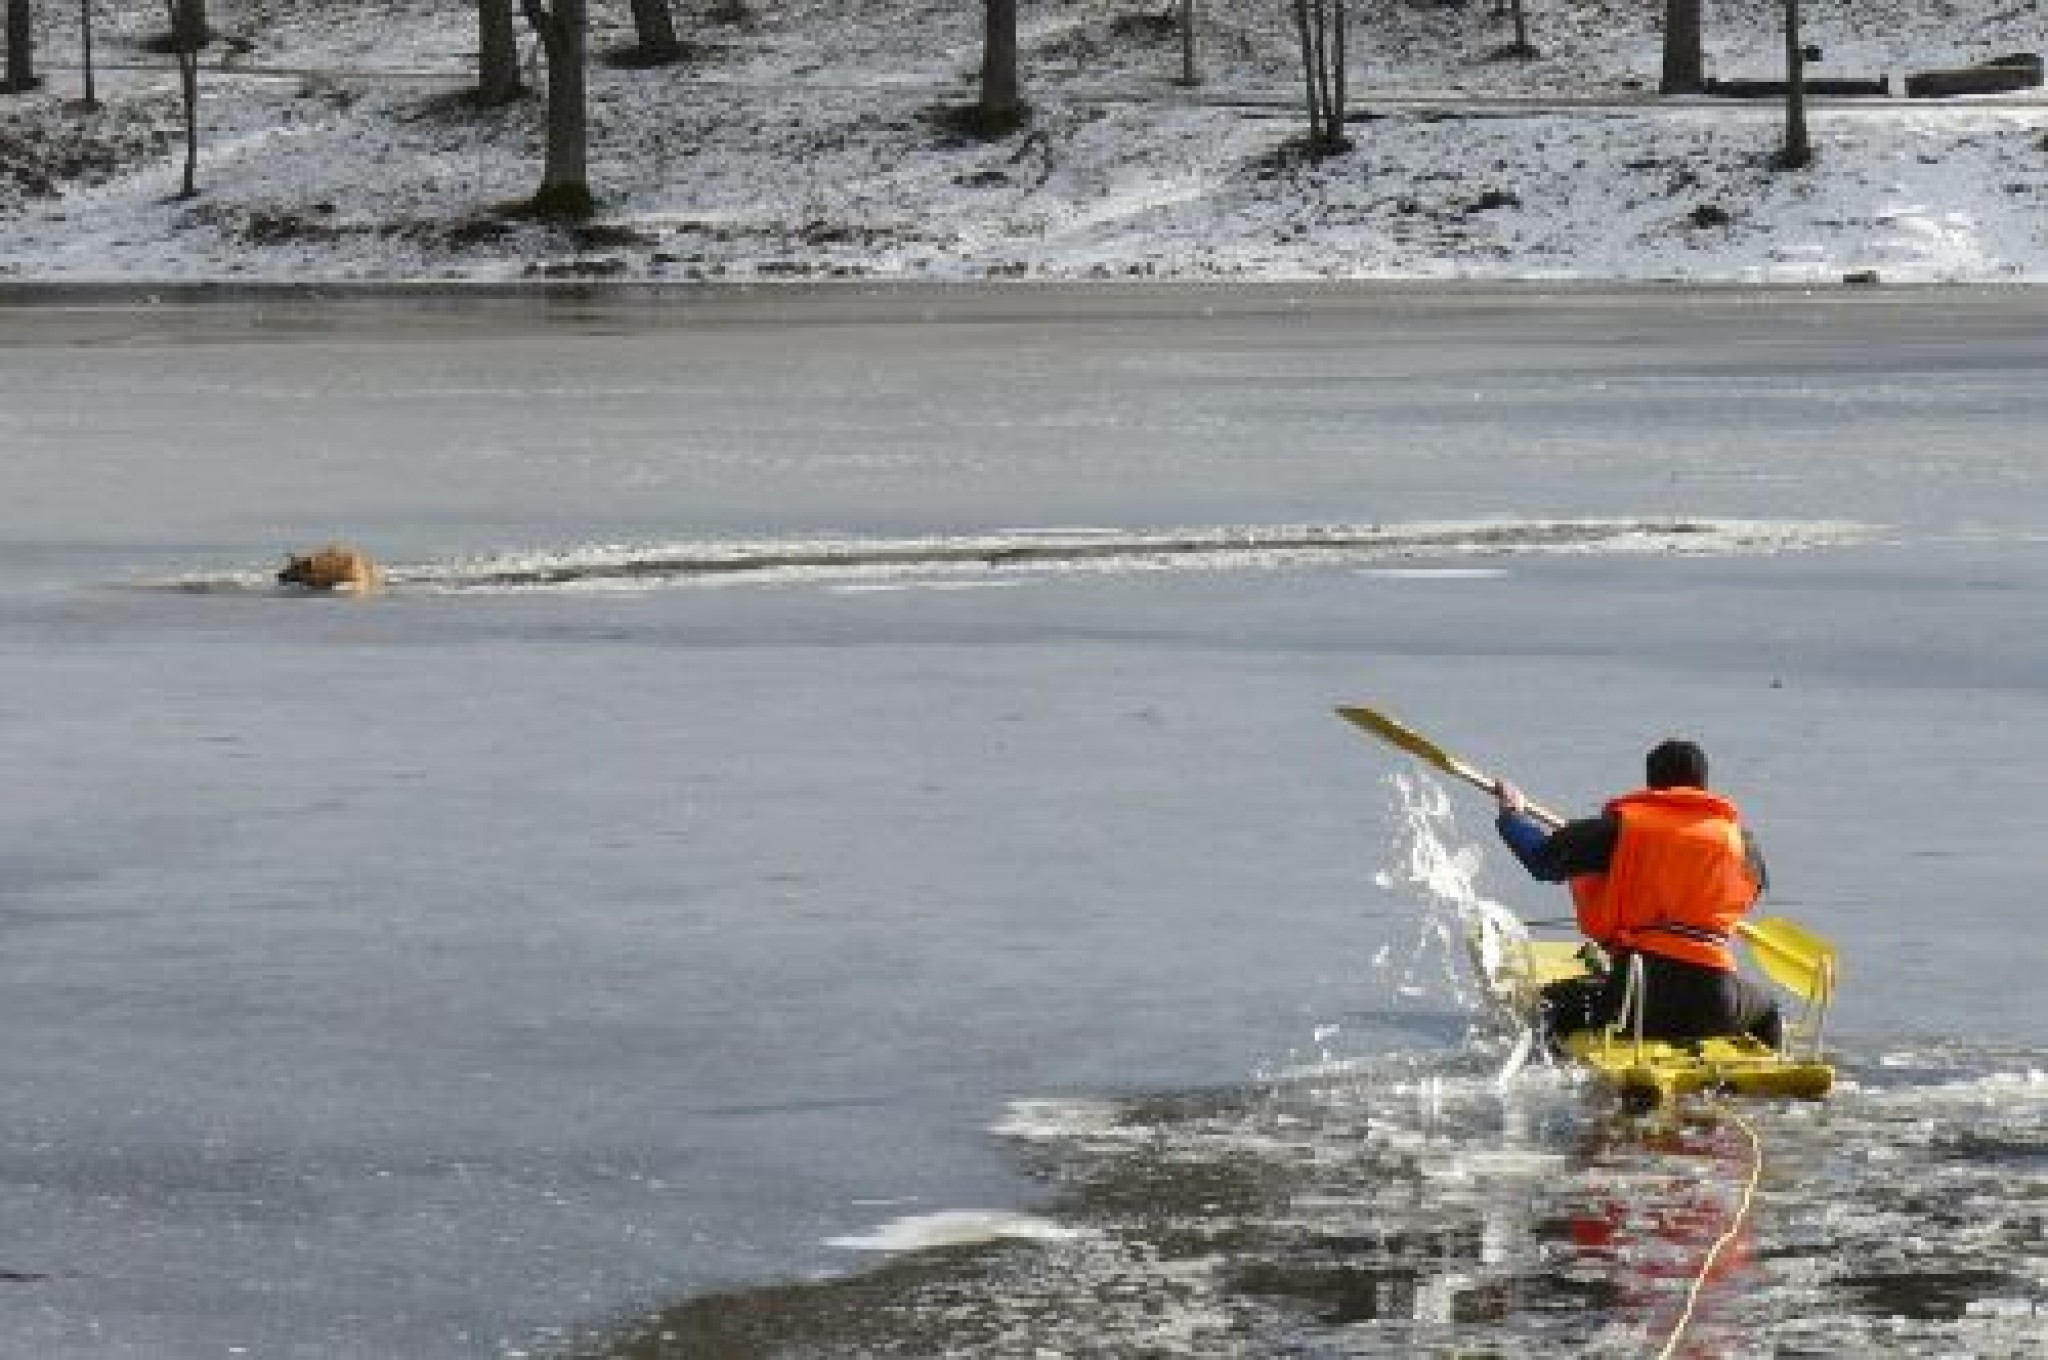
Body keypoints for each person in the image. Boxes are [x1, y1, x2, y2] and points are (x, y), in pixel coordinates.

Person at [1493, 739, 1783, 1049]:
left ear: (1652, 784)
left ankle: (1553, 1070)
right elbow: (1749, 893)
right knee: (1768, 1010)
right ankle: (1778, 1072)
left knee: (1545, 1007)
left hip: (1633, 998)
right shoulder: (1742, 842)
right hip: (1715, 1003)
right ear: (1704, 786)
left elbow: (1542, 860)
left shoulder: (1620, 829)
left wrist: (1512, 815)